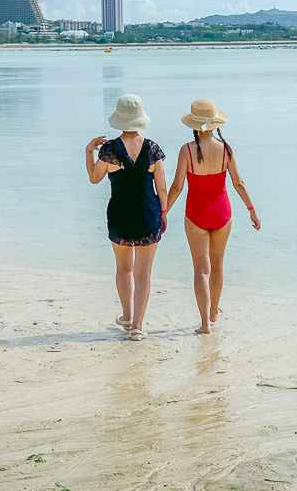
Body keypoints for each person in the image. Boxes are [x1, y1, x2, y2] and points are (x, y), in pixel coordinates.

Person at [167, 99, 260, 334]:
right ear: (215, 123)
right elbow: (238, 183)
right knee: (217, 265)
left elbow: (177, 186)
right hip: (222, 212)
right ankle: (214, 311)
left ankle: (205, 324)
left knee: (201, 269)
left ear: (194, 125)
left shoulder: (186, 150)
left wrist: (163, 211)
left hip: (196, 213)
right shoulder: (226, 149)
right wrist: (252, 210)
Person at [86, 94, 167, 340]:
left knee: (124, 269)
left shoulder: (109, 149)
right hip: (147, 212)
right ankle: (138, 327)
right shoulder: (153, 148)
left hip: (120, 212)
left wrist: (89, 151)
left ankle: (128, 315)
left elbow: (94, 178)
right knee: (143, 274)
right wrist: (163, 213)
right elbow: (161, 188)